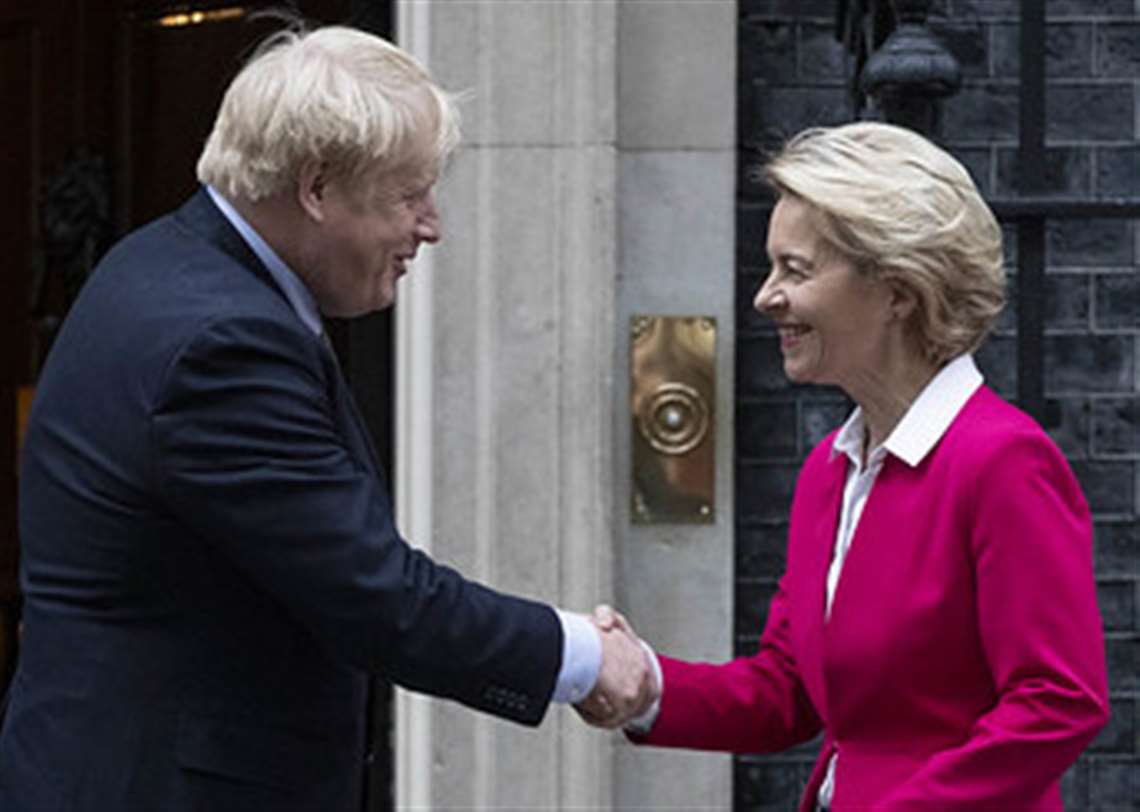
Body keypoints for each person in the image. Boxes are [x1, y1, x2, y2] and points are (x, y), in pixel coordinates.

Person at [0, 25, 654, 811]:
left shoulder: (166, 268)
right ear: (315, 187)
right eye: (409, 193)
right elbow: (375, 596)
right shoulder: (224, 343)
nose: (432, 224)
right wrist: (581, 656)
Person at [591, 122, 1109, 811]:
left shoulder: (1002, 460)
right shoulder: (829, 473)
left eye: (795, 270)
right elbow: (788, 691)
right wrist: (646, 686)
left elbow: (1058, 703)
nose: (765, 296)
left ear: (898, 288)